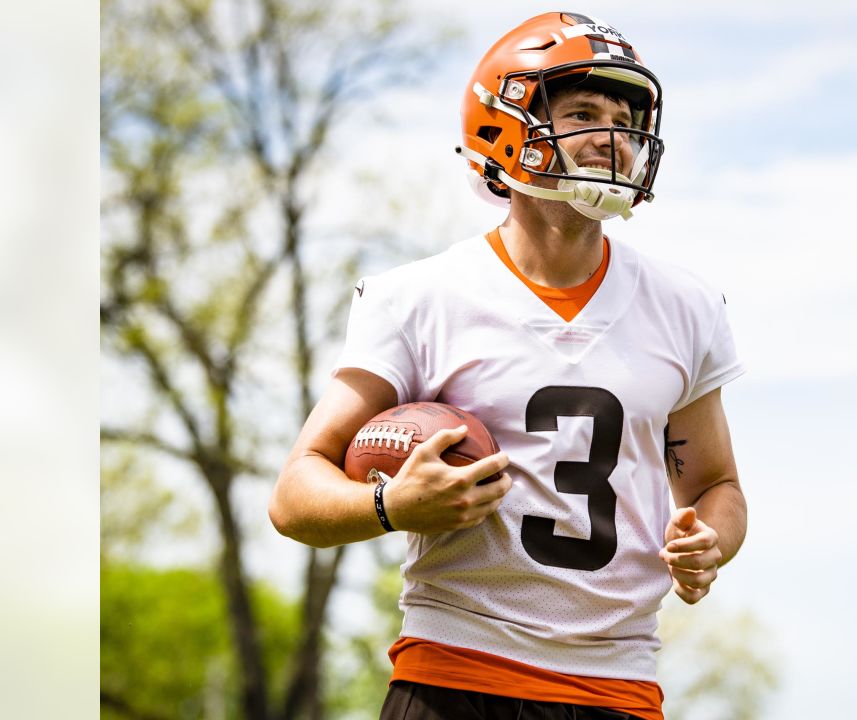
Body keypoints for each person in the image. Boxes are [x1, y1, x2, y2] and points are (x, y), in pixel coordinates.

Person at [269, 12, 747, 720]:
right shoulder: (419, 298)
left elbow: (716, 485)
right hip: (454, 677)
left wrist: (712, 542)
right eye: (584, 112)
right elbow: (293, 495)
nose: (614, 137)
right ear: (503, 127)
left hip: (617, 685)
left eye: (625, 117)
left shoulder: (686, 306)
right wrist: (389, 505)